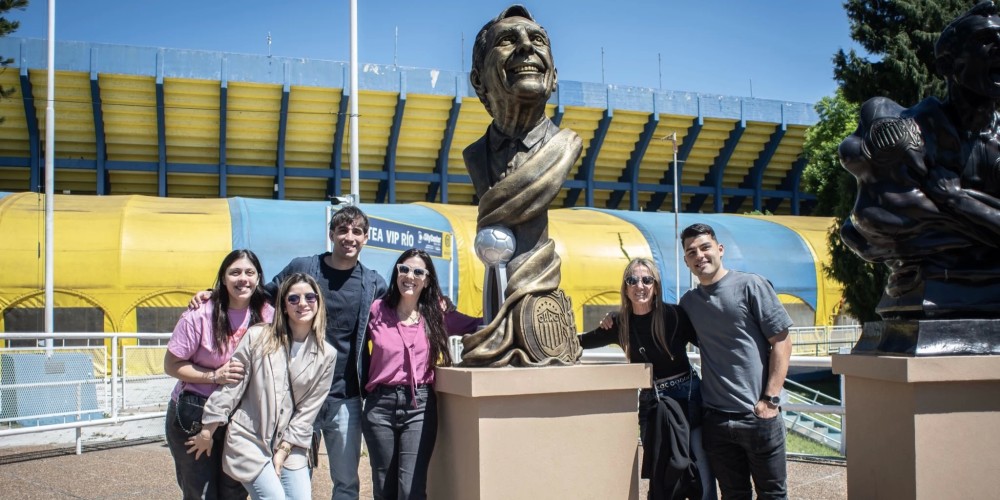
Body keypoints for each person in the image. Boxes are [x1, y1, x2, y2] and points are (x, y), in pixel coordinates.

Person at [190, 205, 387, 500]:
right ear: (331, 234)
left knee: (346, 479)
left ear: (366, 238)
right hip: (294, 393)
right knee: (291, 473)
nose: (349, 237)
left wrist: (442, 305)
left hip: (344, 396)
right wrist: (215, 293)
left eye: (357, 231)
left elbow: (400, 310)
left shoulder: (373, 283)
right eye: (343, 230)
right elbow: (261, 294)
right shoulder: (304, 268)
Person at [839, 1, 1000, 315]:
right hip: (933, 292)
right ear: (947, 64)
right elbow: (875, 219)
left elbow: (895, 226)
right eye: (985, 41)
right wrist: (985, 219)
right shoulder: (903, 132)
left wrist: (954, 199)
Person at [460, 4, 583, 367]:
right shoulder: (475, 156)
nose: (527, 48)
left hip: (542, 313)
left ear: (554, 76)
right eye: (508, 40)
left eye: (538, 39)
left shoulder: (565, 146)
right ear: (479, 80)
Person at [188, 273, 336, 500]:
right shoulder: (259, 336)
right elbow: (232, 386)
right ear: (284, 306)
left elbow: (308, 410)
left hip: (290, 443)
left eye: (310, 297)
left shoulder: (327, 354)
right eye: (293, 299)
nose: (303, 304)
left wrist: (284, 450)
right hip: (249, 438)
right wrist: (208, 428)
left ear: (318, 302)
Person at [578, 257, 715, 499]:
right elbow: (582, 342)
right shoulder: (619, 323)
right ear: (625, 287)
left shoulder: (675, 315)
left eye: (646, 279)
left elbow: (711, 343)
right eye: (632, 280)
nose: (639, 285)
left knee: (699, 464)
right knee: (660, 468)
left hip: (688, 396)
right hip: (653, 402)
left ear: (656, 286)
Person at [679, 223, 793, 500]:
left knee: (773, 495)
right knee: (732, 494)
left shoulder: (750, 285)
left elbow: (782, 341)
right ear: (686, 261)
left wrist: (770, 400)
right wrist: (615, 321)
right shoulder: (689, 303)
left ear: (720, 249)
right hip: (716, 420)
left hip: (758, 416)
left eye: (705, 247)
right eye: (691, 252)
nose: (700, 256)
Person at [361, 249, 477, 499]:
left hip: (420, 407)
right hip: (380, 406)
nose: (409, 276)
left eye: (417, 272)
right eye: (404, 269)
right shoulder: (376, 310)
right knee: (384, 488)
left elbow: (479, 325)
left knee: (411, 488)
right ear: (396, 273)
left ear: (427, 280)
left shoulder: (437, 314)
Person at [165, 249, 274, 499]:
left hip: (242, 416)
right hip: (196, 413)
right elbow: (171, 365)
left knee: (234, 492)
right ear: (223, 278)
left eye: (249, 272)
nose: (242, 279)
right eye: (234, 272)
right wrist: (214, 376)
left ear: (258, 278)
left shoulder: (268, 315)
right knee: (201, 493)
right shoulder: (200, 313)